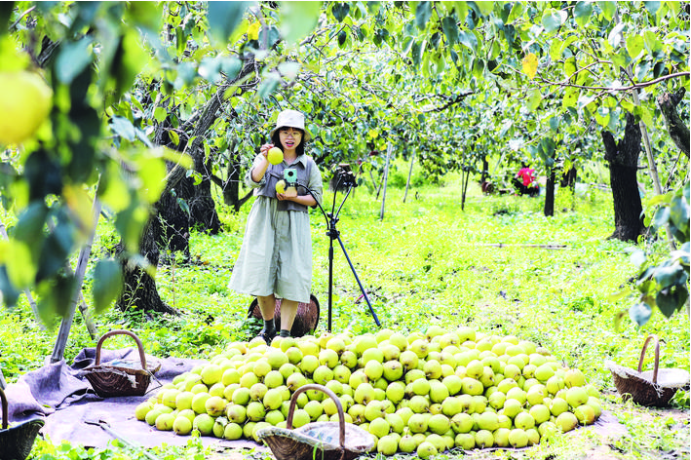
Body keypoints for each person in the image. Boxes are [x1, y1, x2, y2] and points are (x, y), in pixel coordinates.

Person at [228, 110, 323, 343]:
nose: (290, 137)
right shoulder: (265, 156)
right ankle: (268, 327)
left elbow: (317, 198)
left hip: (294, 222)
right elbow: (252, 180)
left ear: (301, 137)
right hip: (265, 221)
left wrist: (294, 198)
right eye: (285, 132)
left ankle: (284, 334)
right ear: (277, 134)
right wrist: (265, 159)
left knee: (292, 276)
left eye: (295, 132)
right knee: (261, 273)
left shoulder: (308, 164)